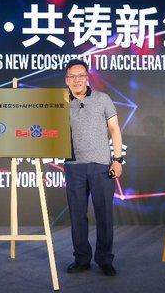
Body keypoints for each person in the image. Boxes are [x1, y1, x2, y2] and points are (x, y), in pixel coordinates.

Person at [63, 59, 124, 276]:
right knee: (77, 215)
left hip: (101, 166)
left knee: (104, 214)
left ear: (87, 78)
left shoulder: (102, 99)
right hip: (73, 166)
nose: (77, 80)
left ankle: (105, 260)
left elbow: (114, 129)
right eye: (72, 76)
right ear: (66, 80)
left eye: (81, 76)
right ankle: (82, 259)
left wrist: (117, 159)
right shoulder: (60, 102)